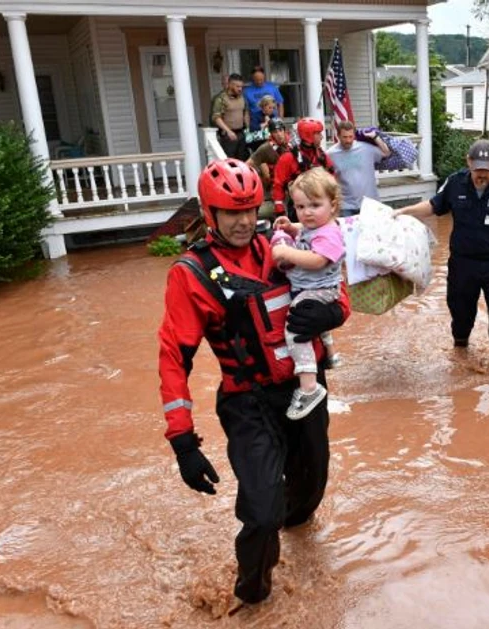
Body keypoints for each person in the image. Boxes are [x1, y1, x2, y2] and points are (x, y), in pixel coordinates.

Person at [158, 158, 350, 609]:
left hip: (306, 391)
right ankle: (253, 599)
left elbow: (332, 282)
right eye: (232, 212)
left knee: (308, 493)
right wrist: (182, 440)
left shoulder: (282, 245)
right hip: (249, 403)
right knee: (263, 515)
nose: (244, 222)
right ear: (210, 213)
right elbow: (173, 358)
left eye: (250, 210)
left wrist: (336, 311)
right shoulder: (190, 275)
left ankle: (302, 551)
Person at [395, 139, 489, 375]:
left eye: (486, 170)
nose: (481, 175)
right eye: (477, 169)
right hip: (462, 264)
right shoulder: (455, 183)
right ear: (468, 162)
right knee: (461, 315)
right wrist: (404, 211)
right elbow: (434, 206)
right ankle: (460, 350)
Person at [270, 168, 345, 420]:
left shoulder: (330, 232)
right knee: (317, 325)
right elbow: (306, 230)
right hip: (312, 287)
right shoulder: (316, 225)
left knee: (296, 328)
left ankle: (309, 386)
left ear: (332, 206)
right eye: (301, 206)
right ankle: (332, 356)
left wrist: (285, 253)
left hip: (321, 289)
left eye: (314, 205)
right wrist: (292, 228)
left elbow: (317, 259)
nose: (307, 212)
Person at [272, 118, 335, 218]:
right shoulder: (288, 158)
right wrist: (280, 211)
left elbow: (333, 178)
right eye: (318, 134)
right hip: (299, 209)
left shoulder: (321, 155)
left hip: (320, 206)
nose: (322, 137)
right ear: (309, 136)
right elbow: (278, 185)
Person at [327, 120, 391, 217]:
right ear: (338, 136)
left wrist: (375, 137)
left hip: (370, 203)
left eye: (350, 136)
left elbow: (386, 153)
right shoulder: (330, 154)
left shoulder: (366, 148)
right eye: (345, 137)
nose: (348, 140)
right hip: (346, 206)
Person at [247, 119, 291, 217]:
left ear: (284, 131)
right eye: (275, 132)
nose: (279, 134)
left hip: (293, 188)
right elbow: (247, 166)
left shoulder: (292, 145)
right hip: (275, 191)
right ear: (271, 133)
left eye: (280, 130)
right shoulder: (266, 148)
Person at [210, 73, 249, 160]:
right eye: (237, 86)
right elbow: (216, 117)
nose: (240, 89)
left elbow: (245, 112)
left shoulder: (242, 97)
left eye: (241, 86)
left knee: (243, 160)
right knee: (230, 162)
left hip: (241, 133)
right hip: (228, 135)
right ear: (230, 85)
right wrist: (228, 131)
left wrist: (248, 127)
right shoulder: (221, 99)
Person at [243, 66, 285, 132]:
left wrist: (280, 120)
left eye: (261, 79)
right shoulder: (247, 91)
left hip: (273, 120)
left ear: (264, 77)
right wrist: (248, 127)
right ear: (252, 78)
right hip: (256, 122)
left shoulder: (272, 87)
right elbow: (246, 111)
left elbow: (280, 104)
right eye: (256, 80)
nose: (259, 82)